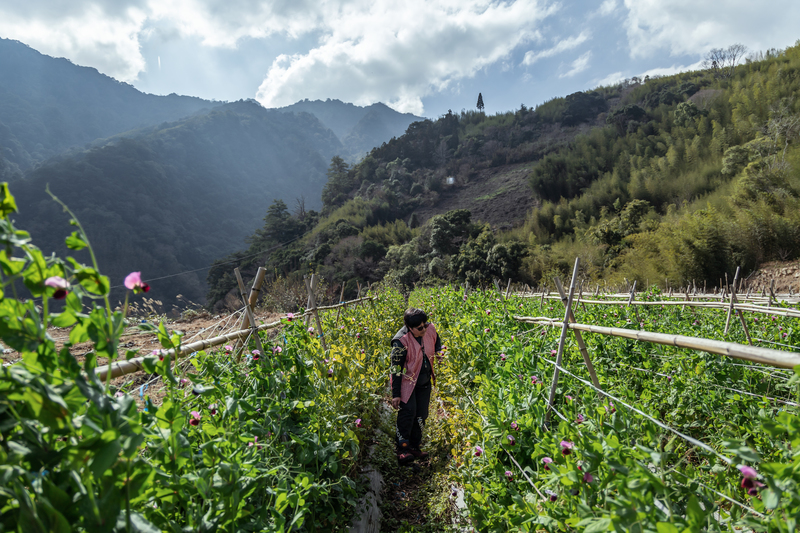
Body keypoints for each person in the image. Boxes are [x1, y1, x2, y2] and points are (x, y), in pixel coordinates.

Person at [390, 307, 441, 465]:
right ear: (409, 328)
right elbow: (395, 369)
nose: (424, 329)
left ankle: (414, 446)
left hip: (424, 381)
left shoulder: (428, 329)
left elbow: (436, 339)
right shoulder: (400, 343)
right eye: (419, 328)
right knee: (408, 412)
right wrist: (396, 394)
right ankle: (402, 449)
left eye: (425, 325)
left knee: (421, 415)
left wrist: (438, 351)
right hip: (408, 383)